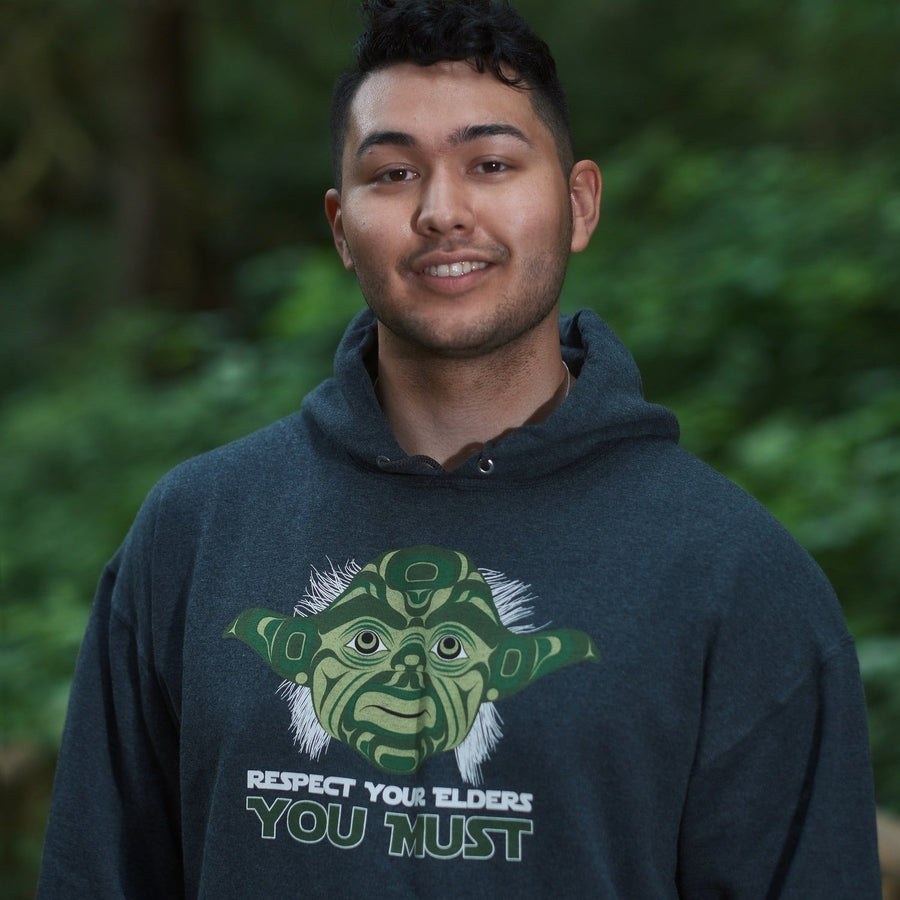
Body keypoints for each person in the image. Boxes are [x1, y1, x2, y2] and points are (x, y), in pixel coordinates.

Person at [38, 0, 881, 896]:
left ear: (578, 202)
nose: (443, 211)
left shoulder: (735, 575)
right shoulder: (197, 533)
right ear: (340, 226)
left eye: (490, 163)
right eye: (394, 172)